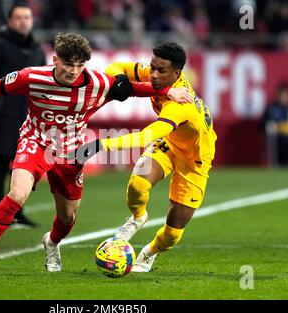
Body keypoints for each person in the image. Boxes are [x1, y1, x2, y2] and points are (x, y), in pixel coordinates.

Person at [0, 32, 191, 275]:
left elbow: (132, 88)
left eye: (79, 65)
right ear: (56, 59)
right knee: (17, 194)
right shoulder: (32, 77)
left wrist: (166, 92)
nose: (73, 70)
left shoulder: (97, 83)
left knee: (68, 218)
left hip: (72, 152)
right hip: (36, 142)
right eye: (68, 64)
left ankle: (52, 242)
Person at [71, 42, 217, 273]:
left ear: (177, 74)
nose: (154, 75)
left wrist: (100, 145)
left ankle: (149, 252)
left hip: (194, 161)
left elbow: (145, 137)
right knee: (138, 183)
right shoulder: (155, 74)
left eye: (161, 71)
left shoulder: (180, 105)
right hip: (170, 143)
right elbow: (115, 66)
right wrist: (120, 80)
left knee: (172, 234)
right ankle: (138, 218)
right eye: (153, 68)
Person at [0, 3, 46, 229]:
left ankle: (18, 213)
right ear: (9, 21)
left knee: (23, 167)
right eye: (18, 17)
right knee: (1, 166)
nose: (23, 21)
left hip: (29, 118)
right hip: (2, 116)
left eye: (27, 17)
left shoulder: (37, 49)